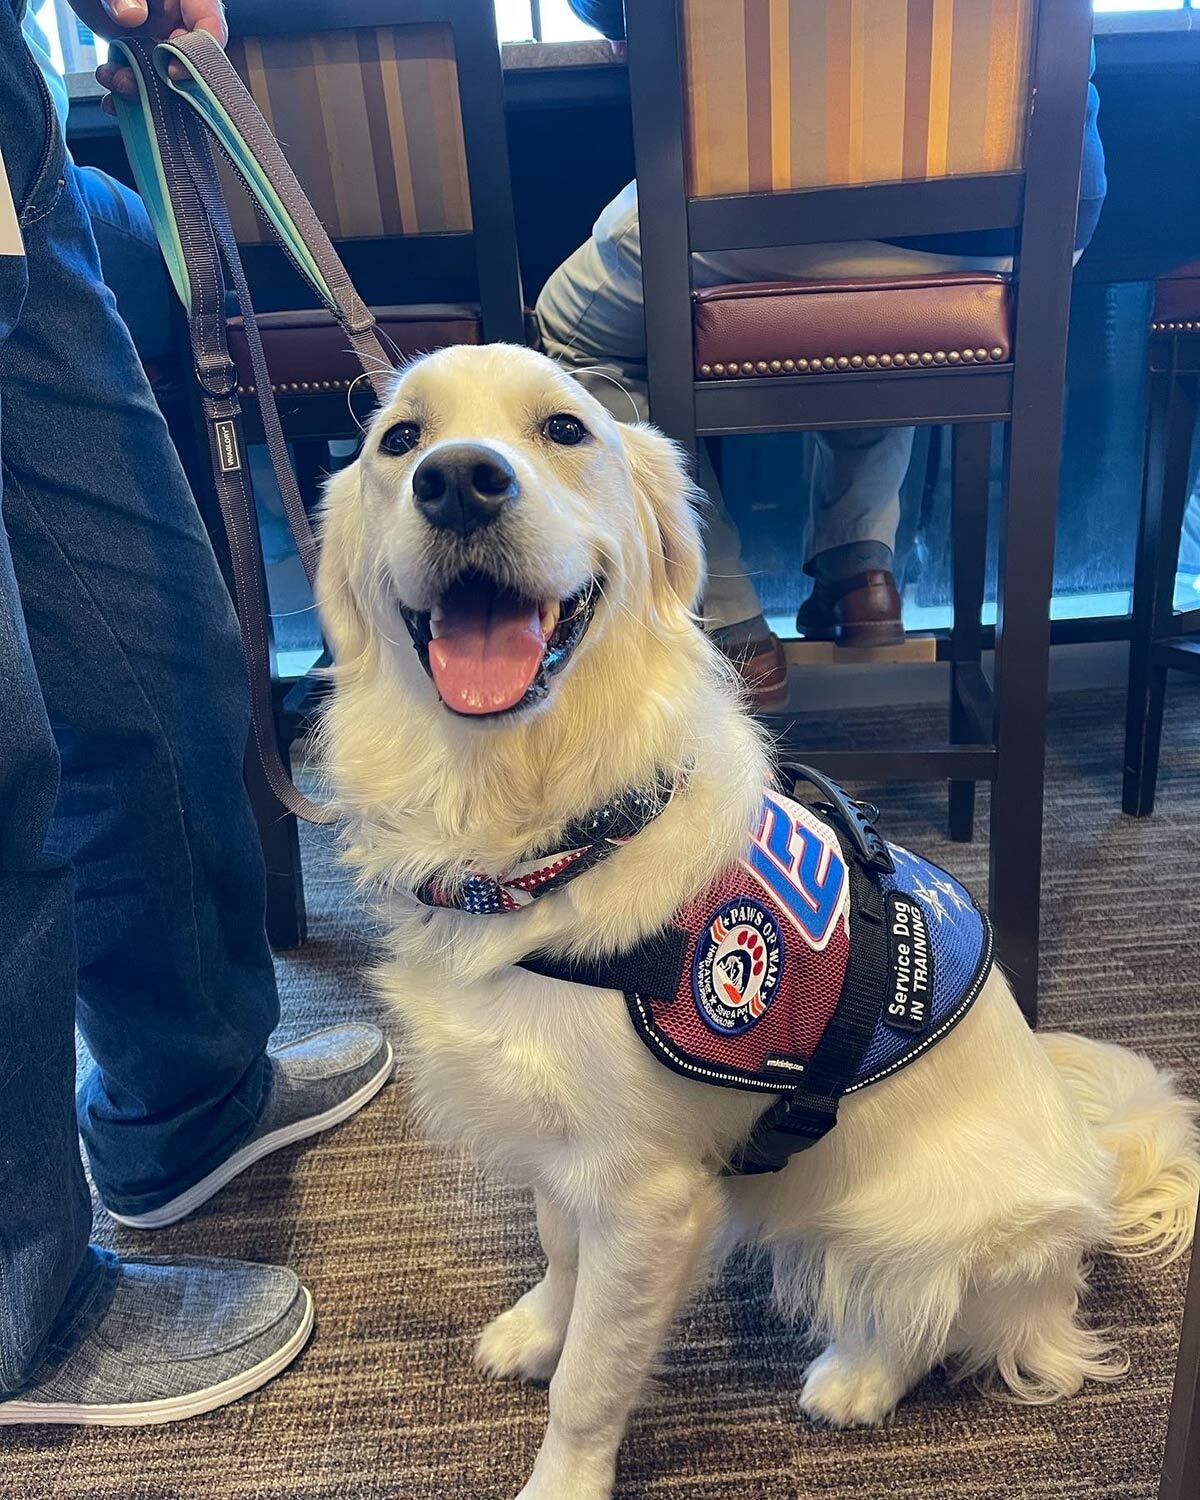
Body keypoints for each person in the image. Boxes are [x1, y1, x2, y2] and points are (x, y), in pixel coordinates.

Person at [0, 0, 393, 1427]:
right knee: (2, 765)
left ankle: (185, 1098)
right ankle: (15, 1310)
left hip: (11, 139)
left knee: (164, 651)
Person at [539, 0, 1106, 701]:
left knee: (569, 332)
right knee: (884, 319)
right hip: (1031, 214)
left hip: (775, 181)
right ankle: (860, 566)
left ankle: (727, 619)